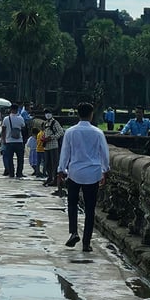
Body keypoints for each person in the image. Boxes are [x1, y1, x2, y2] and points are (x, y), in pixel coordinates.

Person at [57, 102, 110, 253]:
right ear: (91, 114)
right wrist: (105, 171)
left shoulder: (71, 132)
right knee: (90, 209)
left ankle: (74, 232)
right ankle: (86, 243)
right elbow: (104, 154)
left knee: (72, 204)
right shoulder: (97, 132)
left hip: (75, 172)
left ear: (78, 114)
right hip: (93, 172)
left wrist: (61, 170)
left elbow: (65, 152)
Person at [0, 104, 26, 179]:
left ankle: (11, 173)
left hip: (9, 142)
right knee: (20, 159)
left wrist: (3, 140)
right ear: (17, 109)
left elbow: (3, 130)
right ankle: (19, 173)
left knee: (10, 159)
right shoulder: (20, 118)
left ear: (10, 109)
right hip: (19, 141)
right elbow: (23, 128)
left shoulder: (6, 119)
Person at [42, 109, 64, 188]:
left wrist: (52, 137)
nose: (47, 115)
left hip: (53, 145)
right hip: (46, 146)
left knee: (54, 163)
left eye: (48, 113)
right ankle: (50, 177)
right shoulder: (45, 123)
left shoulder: (55, 122)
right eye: (46, 113)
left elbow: (61, 132)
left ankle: (55, 179)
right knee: (47, 163)